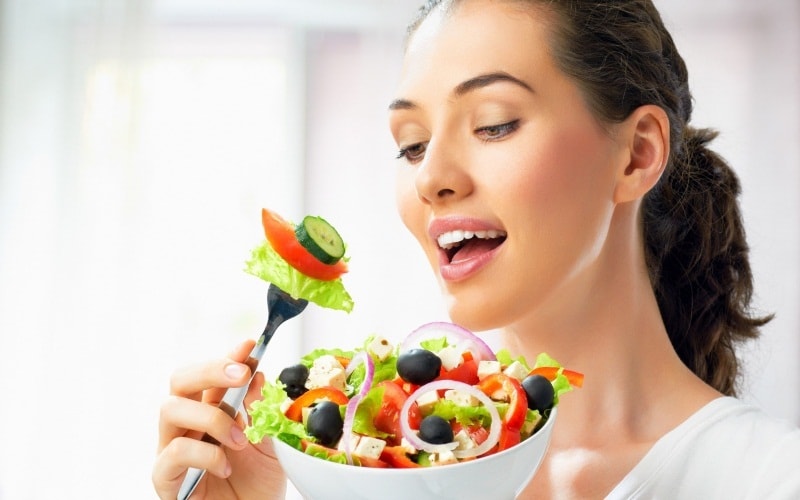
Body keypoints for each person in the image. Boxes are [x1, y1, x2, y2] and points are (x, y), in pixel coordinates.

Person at [153, 0, 800, 498]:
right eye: (411, 144)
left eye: (494, 123)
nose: (430, 176)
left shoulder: (770, 478)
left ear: (636, 154)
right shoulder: (366, 471)